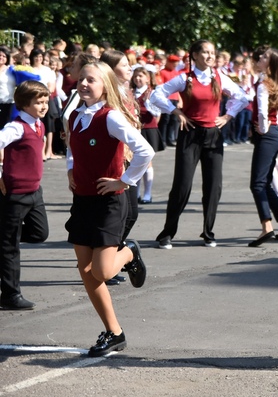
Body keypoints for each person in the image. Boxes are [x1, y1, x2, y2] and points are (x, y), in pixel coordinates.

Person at [65, 61, 153, 355]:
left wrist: (124, 181)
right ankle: (114, 332)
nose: (84, 84)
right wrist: (70, 170)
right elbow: (71, 148)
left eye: (92, 80)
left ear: (105, 85)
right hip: (82, 200)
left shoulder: (111, 117)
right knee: (86, 271)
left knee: (101, 270)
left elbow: (145, 151)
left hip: (108, 202)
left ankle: (129, 251)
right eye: (82, 79)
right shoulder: (75, 116)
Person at [150, 39, 249, 249]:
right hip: (190, 134)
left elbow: (241, 97)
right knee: (182, 185)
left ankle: (208, 232)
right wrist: (176, 111)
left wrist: (228, 116)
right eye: (205, 52)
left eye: (212, 52)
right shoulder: (185, 78)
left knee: (214, 186)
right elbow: (156, 94)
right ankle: (167, 233)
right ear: (194, 55)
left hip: (214, 135)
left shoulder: (220, 77)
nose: (210, 56)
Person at [0, 81, 51, 310]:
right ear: (24, 104)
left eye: (45, 101)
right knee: (10, 247)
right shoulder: (16, 127)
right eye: (38, 103)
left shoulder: (38, 124)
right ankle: (10, 295)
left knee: (40, 233)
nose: (44, 106)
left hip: (34, 192)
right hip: (15, 194)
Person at [248, 46, 278, 246]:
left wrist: (262, 127)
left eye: (265, 56)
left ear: (270, 63)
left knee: (257, 183)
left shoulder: (264, 85)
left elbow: (262, 110)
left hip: (268, 134)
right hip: (275, 134)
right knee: (265, 182)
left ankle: (266, 226)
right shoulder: (276, 83)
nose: (261, 57)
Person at [131, 67, 163, 204]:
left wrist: (148, 103)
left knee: (147, 161)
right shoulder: (131, 93)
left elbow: (157, 114)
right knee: (135, 161)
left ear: (147, 78)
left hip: (148, 130)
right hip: (134, 131)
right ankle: (136, 193)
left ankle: (148, 194)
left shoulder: (152, 93)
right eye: (136, 76)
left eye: (141, 76)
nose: (138, 78)